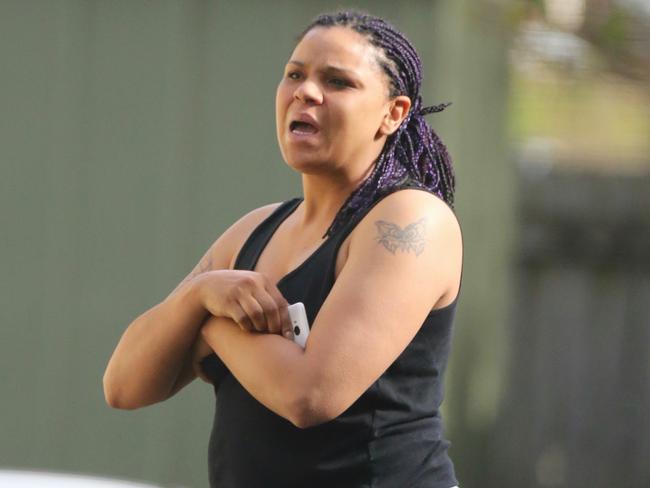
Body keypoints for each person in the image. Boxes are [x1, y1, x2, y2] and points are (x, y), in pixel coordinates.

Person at [103, 10, 463, 488]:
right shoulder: (256, 230)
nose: (305, 92)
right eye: (294, 74)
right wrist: (197, 295)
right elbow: (124, 385)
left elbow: (310, 395)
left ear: (392, 113)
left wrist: (211, 324)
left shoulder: (410, 218)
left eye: (337, 81)